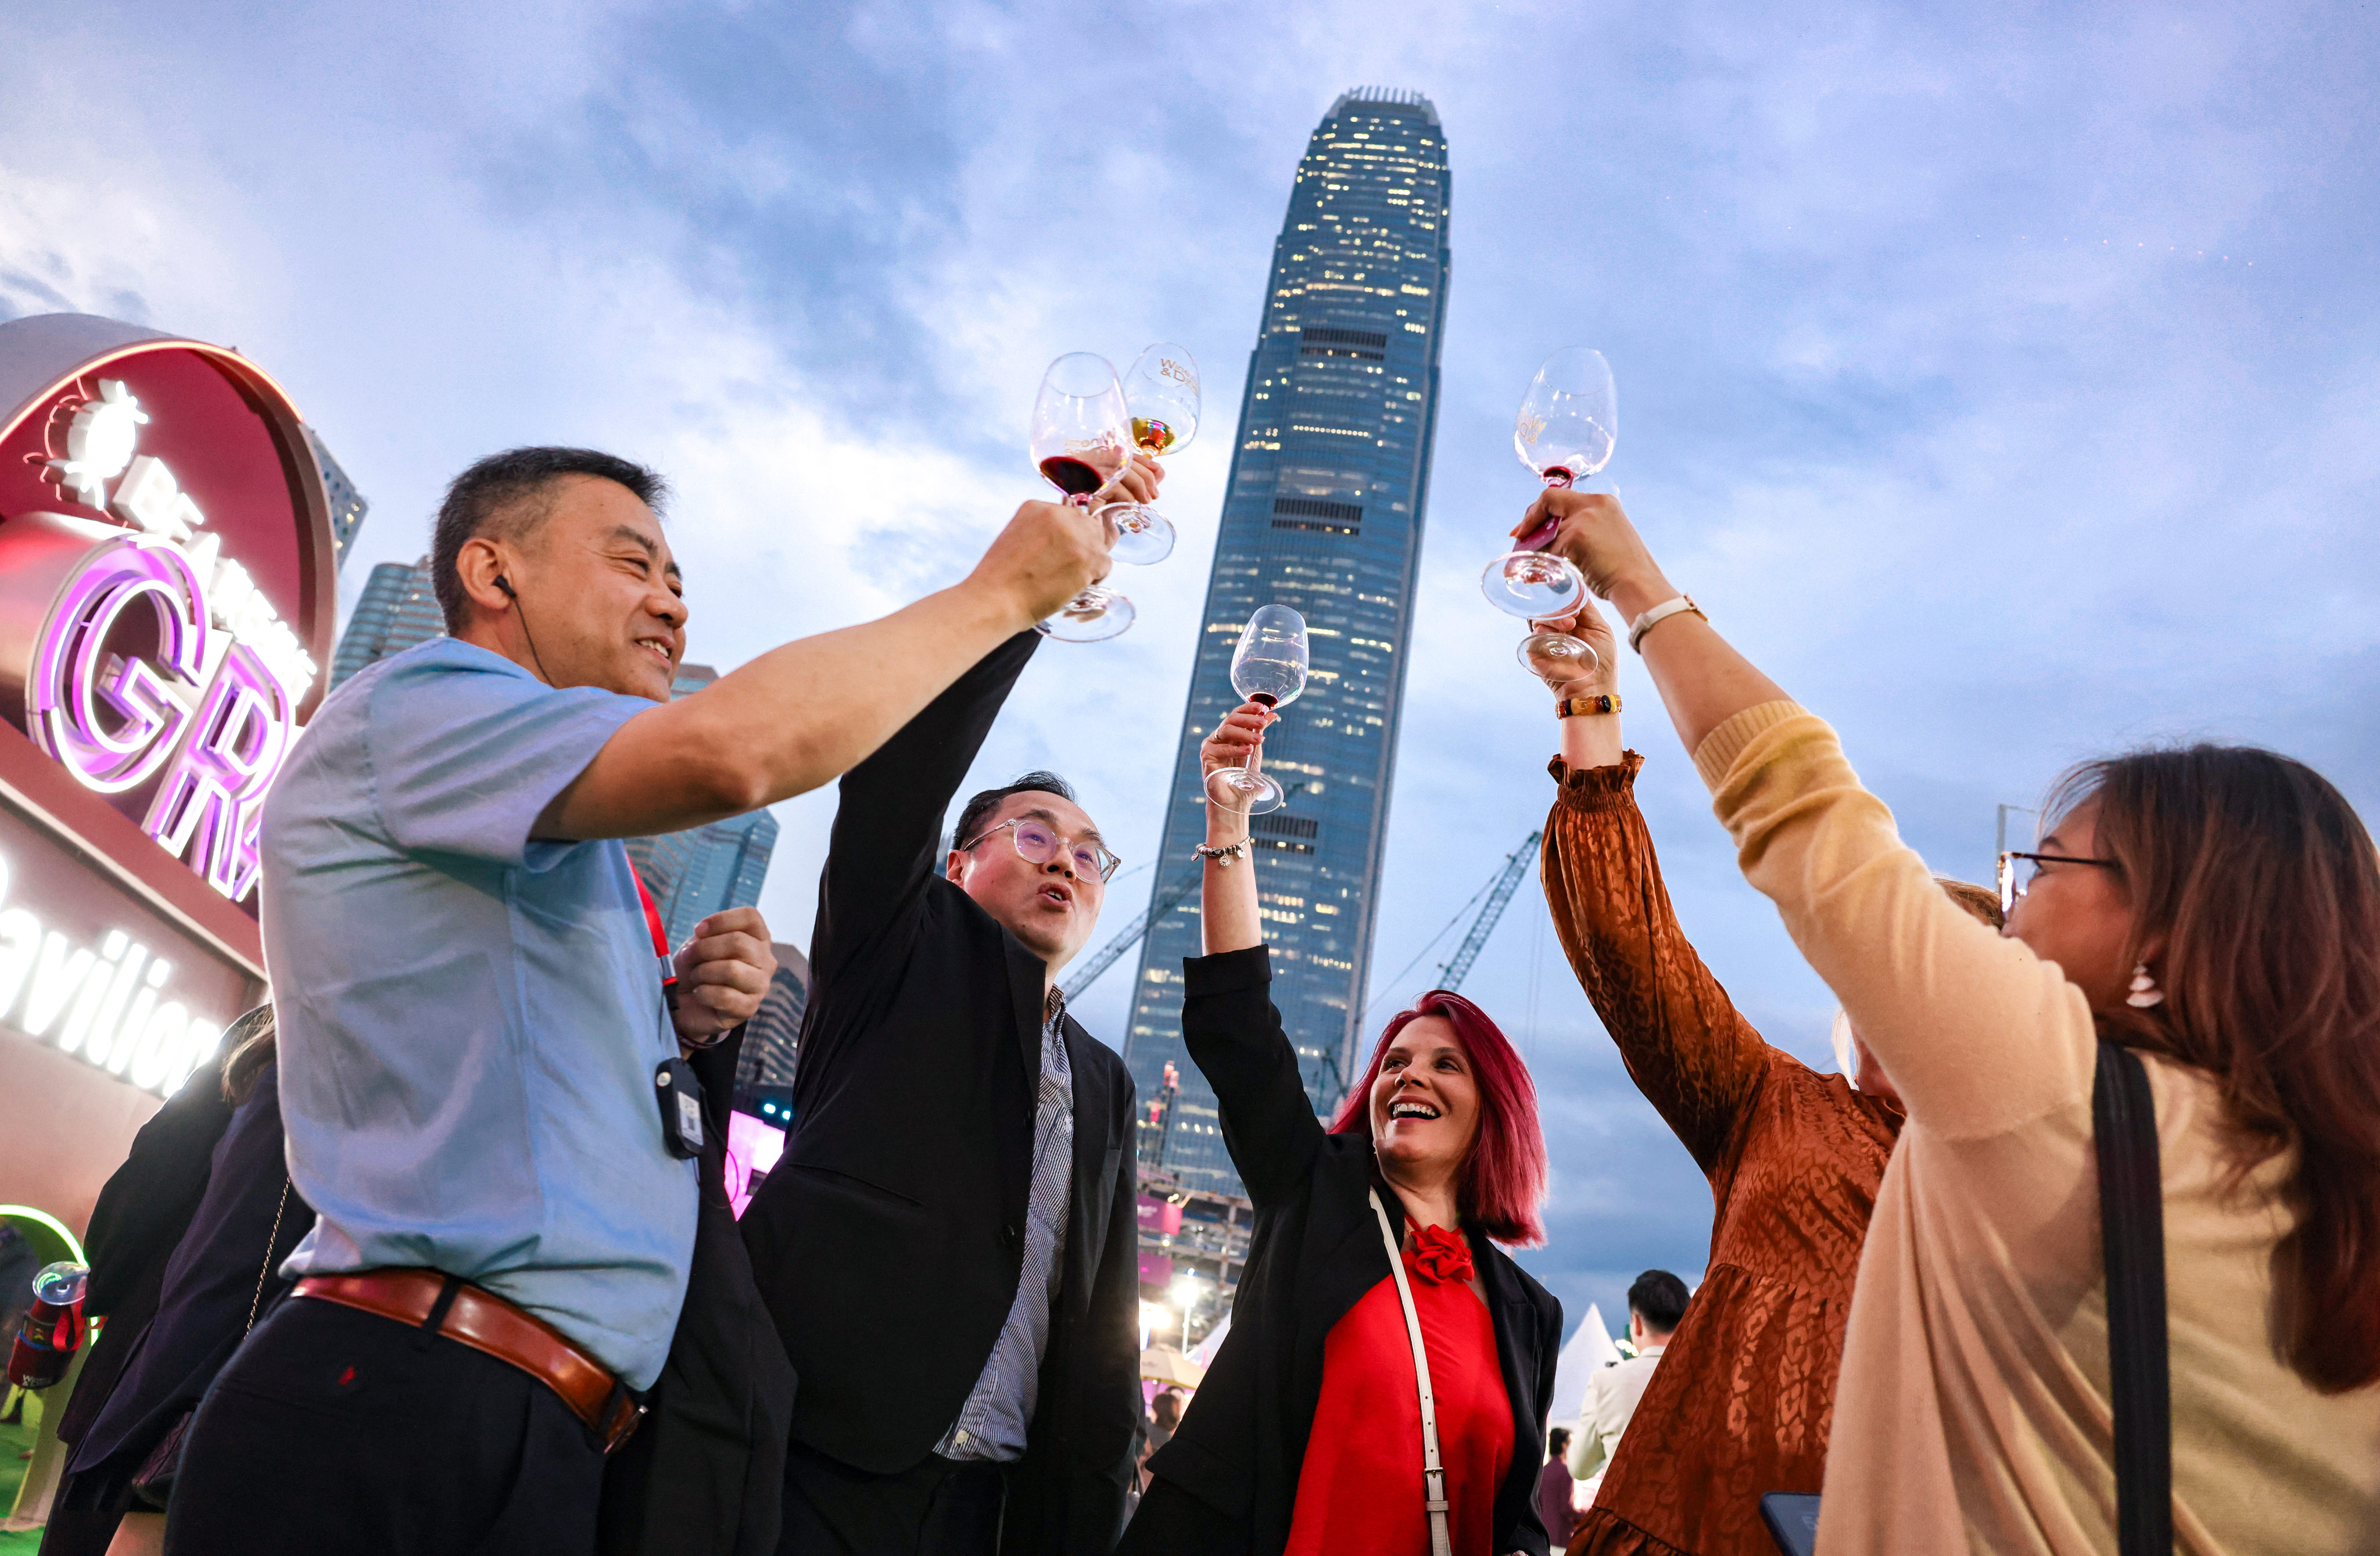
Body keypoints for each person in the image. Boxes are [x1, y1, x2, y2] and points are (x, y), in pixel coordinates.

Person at [166, 444, 1123, 1556]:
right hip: (408, 1386)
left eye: (679, 579)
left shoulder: (561, 843)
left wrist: (672, 1026)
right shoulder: (425, 705)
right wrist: (1003, 594)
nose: (671, 601)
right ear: (493, 570)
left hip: (542, 1416)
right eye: (635, 563)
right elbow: (735, 751)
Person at [1533, 487, 2380, 1554]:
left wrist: (1642, 592)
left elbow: (1809, 818)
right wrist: (1589, 721)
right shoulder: (2320, 1180)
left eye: (2039, 874)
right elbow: (1633, 953)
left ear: (2169, 929)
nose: (2010, 915)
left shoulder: (2051, 1097)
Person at [1522, 604, 2000, 1556]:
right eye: (1872, 958)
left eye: (1930, 960)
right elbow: (1631, 949)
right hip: (1684, 1526)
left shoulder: (2029, 1168)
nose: (1887, 980)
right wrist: (1591, 706)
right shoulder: (1773, 1100)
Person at [738, 522, 1159, 1556]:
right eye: (1032, 834)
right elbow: (892, 787)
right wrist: (1023, 603)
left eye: (1090, 853)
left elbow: (1101, 1312)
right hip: (819, 1455)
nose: (1066, 860)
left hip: (993, 1502)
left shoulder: (1102, 1078)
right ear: (958, 865)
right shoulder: (897, 952)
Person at [1118, 701, 1564, 1556]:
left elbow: (1517, 1523)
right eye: (1396, 1059)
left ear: (1496, 1111)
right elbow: (1240, 1021)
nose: (1409, 1075)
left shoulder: (1529, 1313)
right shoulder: (1314, 1189)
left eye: (1444, 1064)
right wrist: (1228, 817)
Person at [37, 1014, 257, 1556]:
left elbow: (156, 1171)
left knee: (87, 1524)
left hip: (163, 1339)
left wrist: (106, 1280)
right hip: (279, 1370)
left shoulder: (270, 1035)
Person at [1564, 1271, 1684, 1497]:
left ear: (1637, 1324)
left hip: (1631, 1517)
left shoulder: (1606, 1382)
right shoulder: (1711, 1378)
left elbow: (1579, 1467)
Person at [1536, 1429, 1579, 1551]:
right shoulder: (1566, 1471)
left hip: (1544, 1534)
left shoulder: (1543, 1471)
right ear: (1564, 1445)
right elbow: (1566, 1508)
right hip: (1562, 1536)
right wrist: (1585, 1515)